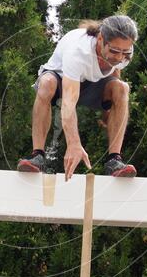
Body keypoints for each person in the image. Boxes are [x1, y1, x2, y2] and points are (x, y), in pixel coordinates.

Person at [17, 15, 139, 180]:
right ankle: (37, 156)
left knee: (122, 88)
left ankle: (114, 161)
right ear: (100, 39)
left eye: (124, 52)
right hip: (61, 81)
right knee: (46, 84)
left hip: (92, 85)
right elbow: (68, 101)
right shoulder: (78, 52)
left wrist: (111, 106)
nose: (118, 57)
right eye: (114, 51)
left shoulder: (124, 51)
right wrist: (73, 143)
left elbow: (115, 70)